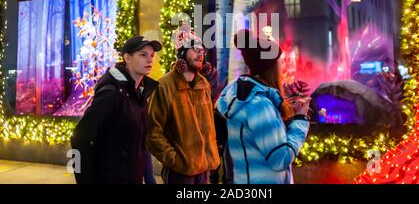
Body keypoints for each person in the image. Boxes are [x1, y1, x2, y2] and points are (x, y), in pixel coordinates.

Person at [216, 29, 310, 184]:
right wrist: (300, 121)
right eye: (279, 62)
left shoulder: (248, 99)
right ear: (271, 67)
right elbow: (280, 159)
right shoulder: (258, 105)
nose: (282, 67)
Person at [71, 35, 162, 184]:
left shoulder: (140, 94)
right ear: (127, 57)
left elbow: (140, 143)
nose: (150, 60)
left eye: (151, 55)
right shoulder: (111, 93)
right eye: (143, 55)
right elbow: (79, 138)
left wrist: (148, 177)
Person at [146, 22, 220, 184]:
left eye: (202, 50)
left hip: (205, 169)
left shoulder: (203, 85)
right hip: (180, 174)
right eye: (195, 50)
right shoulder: (165, 85)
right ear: (181, 54)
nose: (200, 54)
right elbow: (153, 132)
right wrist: (176, 161)